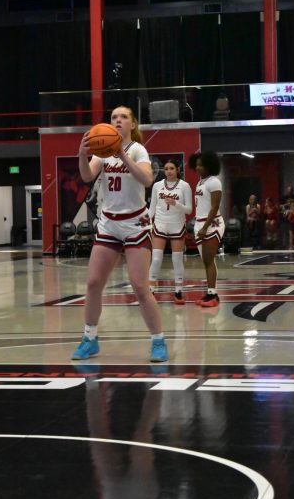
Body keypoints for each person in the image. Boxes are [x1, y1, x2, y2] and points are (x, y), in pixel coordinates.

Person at [72, 105, 168, 362]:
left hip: (135, 223)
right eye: (114, 117)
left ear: (132, 125)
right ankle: (90, 338)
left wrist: (123, 156)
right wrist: (82, 154)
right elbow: (86, 175)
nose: (117, 120)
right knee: (93, 283)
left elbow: (147, 180)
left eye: (123, 117)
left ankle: (158, 340)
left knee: (139, 286)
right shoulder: (102, 152)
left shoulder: (138, 150)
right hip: (109, 224)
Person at [148, 158, 192, 304]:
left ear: (177, 169)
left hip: (177, 224)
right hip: (160, 224)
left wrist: (176, 204)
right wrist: (146, 221)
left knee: (177, 259)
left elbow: (189, 209)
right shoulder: (157, 186)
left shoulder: (185, 186)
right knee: (156, 259)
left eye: (171, 168)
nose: (169, 171)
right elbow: (152, 208)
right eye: (166, 169)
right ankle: (151, 290)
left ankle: (178, 291)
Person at [188, 151, 225, 307]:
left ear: (210, 166)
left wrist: (204, 227)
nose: (198, 168)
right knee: (206, 261)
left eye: (201, 165)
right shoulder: (200, 182)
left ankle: (213, 295)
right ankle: (210, 293)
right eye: (196, 165)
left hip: (212, 225)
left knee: (209, 260)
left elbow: (215, 207)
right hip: (200, 225)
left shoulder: (214, 182)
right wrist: (197, 227)